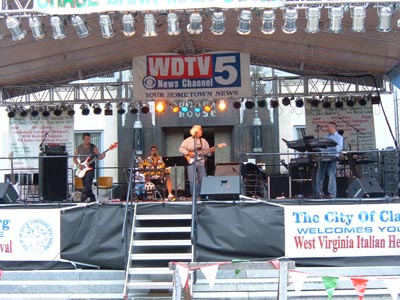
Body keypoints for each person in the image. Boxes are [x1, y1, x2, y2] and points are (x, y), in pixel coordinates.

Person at [179, 125, 214, 198]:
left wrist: (211, 151)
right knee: (192, 179)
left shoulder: (203, 141)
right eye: (200, 130)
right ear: (196, 132)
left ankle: (201, 194)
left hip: (201, 163)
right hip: (191, 162)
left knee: (203, 179)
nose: (202, 131)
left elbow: (207, 153)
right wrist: (188, 153)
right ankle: (194, 195)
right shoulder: (187, 140)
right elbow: (181, 149)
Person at [73, 133, 105, 202]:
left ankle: (83, 196)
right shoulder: (79, 147)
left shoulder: (93, 147)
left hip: (90, 167)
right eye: (87, 139)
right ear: (83, 139)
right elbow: (74, 158)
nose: (89, 140)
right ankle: (92, 197)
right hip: (82, 168)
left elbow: (98, 156)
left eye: (89, 139)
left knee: (88, 182)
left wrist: (102, 156)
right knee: (85, 184)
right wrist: (78, 164)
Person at [315, 122, 344, 198]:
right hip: (324, 158)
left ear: (333, 127)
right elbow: (322, 148)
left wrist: (330, 146)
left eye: (328, 127)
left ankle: (332, 194)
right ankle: (319, 193)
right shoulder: (326, 136)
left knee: (331, 175)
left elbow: (339, 148)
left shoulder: (339, 137)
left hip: (332, 158)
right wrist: (316, 148)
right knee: (319, 175)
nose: (327, 129)